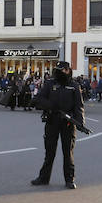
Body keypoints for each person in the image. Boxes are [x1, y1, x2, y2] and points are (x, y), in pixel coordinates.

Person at [31, 61, 84, 189]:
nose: (60, 72)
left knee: (68, 153)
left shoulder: (74, 86)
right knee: (49, 152)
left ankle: (69, 179)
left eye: (62, 70)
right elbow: (37, 99)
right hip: (52, 121)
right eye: (58, 70)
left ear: (67, 70)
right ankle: (43, 178)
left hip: (68, 123)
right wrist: (50, 106)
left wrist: (80, 123)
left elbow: (79, 106)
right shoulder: (50, 84)